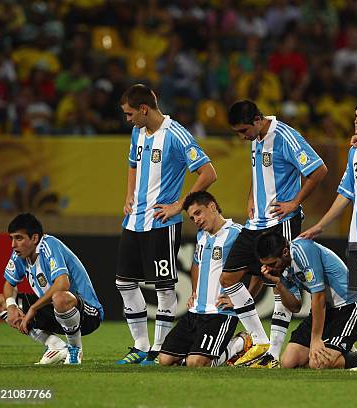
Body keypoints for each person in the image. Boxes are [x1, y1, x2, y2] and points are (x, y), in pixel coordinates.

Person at [220, 99, 327, 368]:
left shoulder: (286, 136)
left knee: (283, 285)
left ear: (257, 120)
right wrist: (251, 195)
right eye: (238, 133)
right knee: (228, 277)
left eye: (244, 131)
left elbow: (318, 170)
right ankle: (260, 340)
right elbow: (261, 173)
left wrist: (295, 202)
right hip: (255, 222)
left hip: (282, 221)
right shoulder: (256, 135)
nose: (242, 137)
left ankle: (273, 353)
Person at [116, 84, 217, 365]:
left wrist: (179, 205)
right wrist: (128, 195)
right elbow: (133, 164)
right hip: (134, 220)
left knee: (163, 287)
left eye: (129, 114)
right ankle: (140, 345)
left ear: (144, 109)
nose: (127, 120)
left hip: (162, 222)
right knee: (124, 283)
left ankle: (157, 348)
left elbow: (208, 172)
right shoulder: (138, 131)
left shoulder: (176, 135)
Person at [300, 98, 357, 371]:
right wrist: (322, 225)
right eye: (356, 115)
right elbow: (345, 194)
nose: (356, 120)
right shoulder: (355, 152)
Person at [0, 213, 103, 365]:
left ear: (34, 238)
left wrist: (33, 309)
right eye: (12, 238)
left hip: (87, 314)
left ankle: (74, 349)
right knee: (0, 303)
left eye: (19, 238)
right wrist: (11, 305)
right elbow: (9, 284)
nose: (13, 244)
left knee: (60, 297)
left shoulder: (49, 245)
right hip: (55, 311)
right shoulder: (19, 254)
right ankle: (55, 346)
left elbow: (62, 284)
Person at [158, 191, 252, 367]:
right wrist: (195, 292)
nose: (196, 220)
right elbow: (196, 264)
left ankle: (240, 343)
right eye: (192, 218)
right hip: (195, 313)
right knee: (164, 360)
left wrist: (241, 300)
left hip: (220, 314)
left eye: (198, 213)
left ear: (212, 207)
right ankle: (197, 353)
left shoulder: (238, 234)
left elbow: (258, 271)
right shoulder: (201, 236)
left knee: (196, 363)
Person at [256, 231, 357, 369]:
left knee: (317, 364)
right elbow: (295, 307)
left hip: (348, 306)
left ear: (285, 252)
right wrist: (279, 284)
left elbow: (319, 296)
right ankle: (338, 349)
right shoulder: (283, 268)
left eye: (272, 264)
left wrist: (316, 339)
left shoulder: (303, 249)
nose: (269, 269)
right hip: (326, 311)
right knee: (288, 362)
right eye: (266, 265)